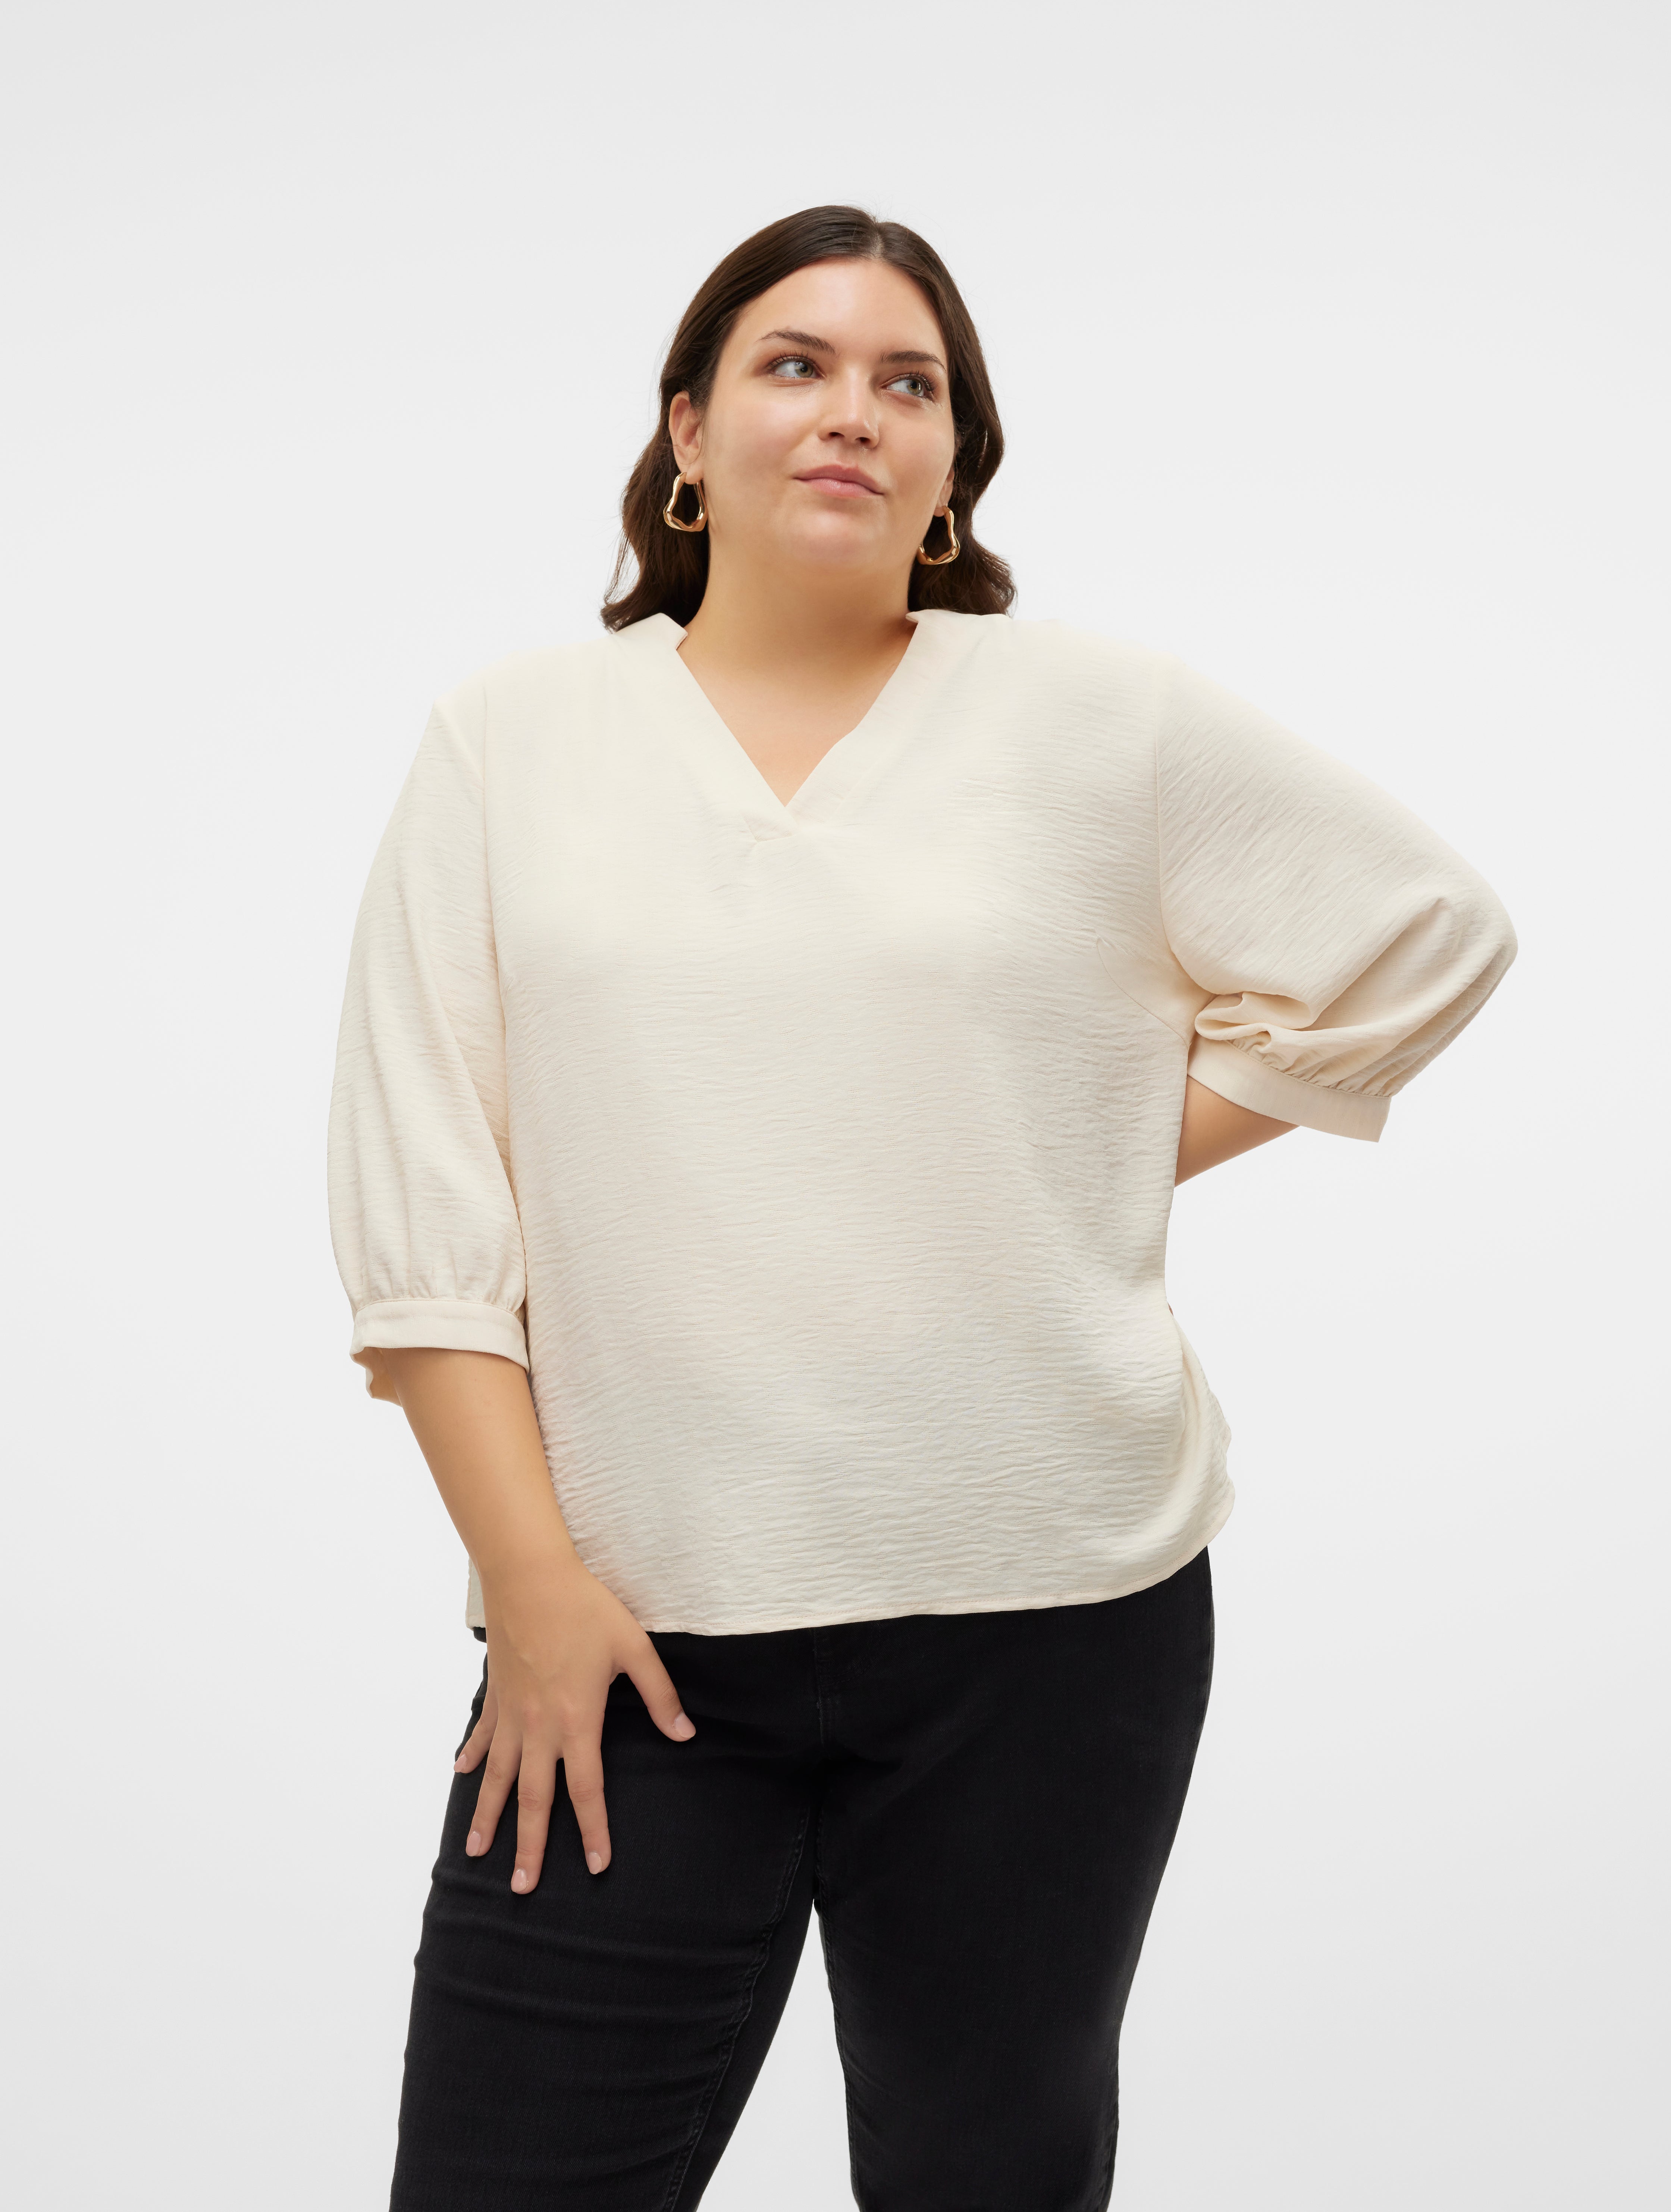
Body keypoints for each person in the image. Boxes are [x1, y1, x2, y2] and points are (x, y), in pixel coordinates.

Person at [327, 204, 1517, 2212]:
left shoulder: (1098, 722)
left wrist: (1053, 1146)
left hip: (1050, 1620)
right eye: (795, 364)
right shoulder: (511, 742)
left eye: (911, 383)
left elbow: (1423, 935)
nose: (853, 411)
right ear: (687, 431)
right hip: (630, 1631)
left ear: (955, 463)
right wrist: (531, 1587)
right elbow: (423, 1203)